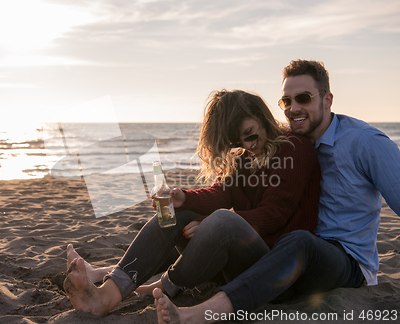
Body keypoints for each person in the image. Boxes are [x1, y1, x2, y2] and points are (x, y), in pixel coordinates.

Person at [153, 59, 400, 324]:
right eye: (286, 102)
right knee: (190, 220)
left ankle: (198, 315)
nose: (293, 108)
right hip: (285, 262)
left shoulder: (366, 143)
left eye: (303, 98)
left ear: (327, 100)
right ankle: (125, 279)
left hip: (344, 260)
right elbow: (229, 188)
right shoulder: (286, 143)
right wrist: (187, 197)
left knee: (299, 241)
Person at [62, 89, 321, 316]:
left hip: (275, 273)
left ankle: (161, 286)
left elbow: (273, 214)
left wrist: (211, 223)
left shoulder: (294, 148)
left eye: (250, 135)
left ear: (263, 117)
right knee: (176, 214)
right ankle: (106, 295)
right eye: (235, 142)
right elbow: (222, 193)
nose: (246, 145)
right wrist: (183, 197)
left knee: (221, 220)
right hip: (238, 265)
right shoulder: (243, 154)